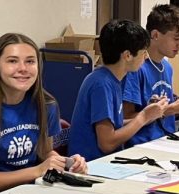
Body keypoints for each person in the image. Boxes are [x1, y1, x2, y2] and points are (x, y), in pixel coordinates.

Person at [0, 32, 85, 194]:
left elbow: (44, 153)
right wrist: (36, 171)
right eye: (12, 61)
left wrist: (66, 163)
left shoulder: (46, 105)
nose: (23, 68)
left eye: (30, 61)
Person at [68, 19, 167, 162]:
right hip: (91, 165)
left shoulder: (113, 78)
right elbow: (107, 143)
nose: (146, 57)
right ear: (127, 55)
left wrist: (149, 114)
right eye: (143, 52)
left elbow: (116, 126)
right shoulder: (101, 84)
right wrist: (143, 117)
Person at [122, 5, 179, 145]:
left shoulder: (167, 67)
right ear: (155, 35)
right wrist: (173, 108)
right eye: (177, 39)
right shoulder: (136, 68)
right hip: (142, 144)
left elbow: (165, 107)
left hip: (166, 139)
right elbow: (125, 118)